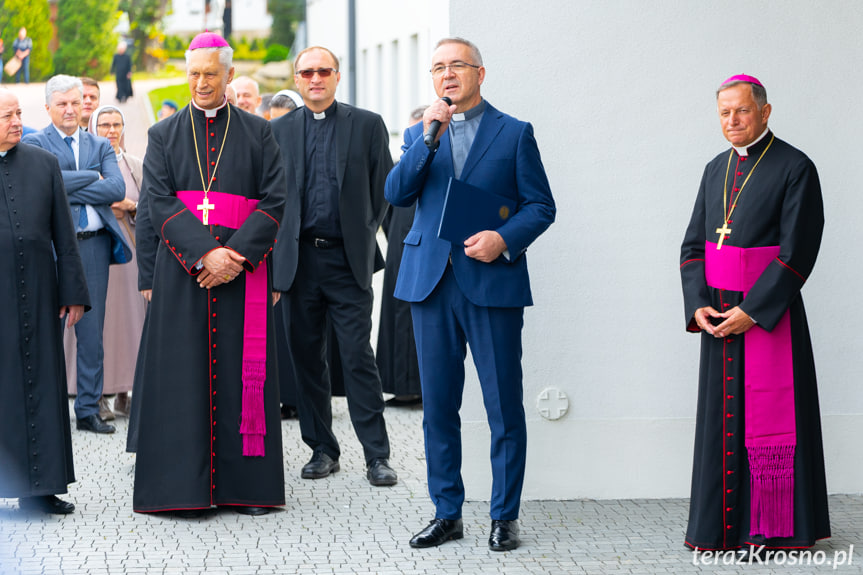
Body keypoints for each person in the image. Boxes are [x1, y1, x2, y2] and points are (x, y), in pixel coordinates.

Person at [385, 38, 555, 551]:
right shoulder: (421, 133)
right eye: (438, 67)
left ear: (481, 72)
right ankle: (446, 512)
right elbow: (397, 194)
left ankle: (505, 515)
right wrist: (427, 137)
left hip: (491, 285)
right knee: (438, 406)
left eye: (456, 65)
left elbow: (541, 206)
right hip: (430, 285)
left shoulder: (515, 132)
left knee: (503, 405)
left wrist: (504, 239)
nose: (447, 74)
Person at [132, 32, 287, 516]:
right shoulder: (163, 135)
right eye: (194, 73)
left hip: (242, 276)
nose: (201, 83)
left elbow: (277, 201)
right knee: (183, 376)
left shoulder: (260, 132)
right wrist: (205, 255)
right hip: (185, 274)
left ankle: (248, 490)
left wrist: (234, 257)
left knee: (243, 375)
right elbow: (157, 202)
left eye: (210, 74)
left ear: (229, 75)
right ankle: (183, 489)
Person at [680, 74, 829, 551]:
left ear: (764, 112)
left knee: (771, 421)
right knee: (722, 422)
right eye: (724, 113)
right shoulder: (713, 169)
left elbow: (797, 251)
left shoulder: (795, 167)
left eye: (742, 111)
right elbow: (691, 248)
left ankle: (773, 530)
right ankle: (719, 530)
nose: (732, 121)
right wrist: (698, 303)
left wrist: (753, 310)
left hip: (769, 315)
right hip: (718, 318)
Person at [271, 45, 397, 487]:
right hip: (298, 262)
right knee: (307, 359)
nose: (315, 79)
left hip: (346, 262)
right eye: (307, 72)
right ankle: (322, 449)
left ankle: (377, 455)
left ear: (337, 76)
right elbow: (270, 196)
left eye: (324, 71)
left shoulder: (366, 125)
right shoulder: (280, 130)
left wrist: (363, 229)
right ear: (297, 78)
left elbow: (386, 188)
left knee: (357, 356)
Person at [23, 75, 130, 435]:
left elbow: (116, 187)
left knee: (91, 333)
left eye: (76, 102)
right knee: (46, 329)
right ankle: (44, 408)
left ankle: (88, 409)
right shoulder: (35, 142)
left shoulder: (100, 143)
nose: (71, 109)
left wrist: (66, 181)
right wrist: (91, 178)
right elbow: (41, 186)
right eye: (63, 104)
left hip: (94, 245)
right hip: (52, 248)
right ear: (49, 107)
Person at [0, 88, 90, 514]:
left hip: (38, 294)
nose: (17, 122)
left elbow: (64, 237)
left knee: (41, 386)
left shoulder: (44, 164)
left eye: (19, 113)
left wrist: (73, 293)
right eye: (7, 116)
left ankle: (42, 488)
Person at [92, 105, 145, 418]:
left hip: (130, 255)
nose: (111, 131)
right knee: (100, 326)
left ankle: (127, 391)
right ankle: (97, 393)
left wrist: (130, 205)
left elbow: (150, 206)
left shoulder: (135, 165)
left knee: (130, 325)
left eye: (116, 124)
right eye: (104, 125)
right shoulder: (87, 162)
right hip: (99, 252)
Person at [377, 105, 426, 407]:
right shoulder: (401, 165)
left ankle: (419, 387)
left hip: (424, 246)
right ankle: (400, 385)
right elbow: (387, 206)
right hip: (399, 245)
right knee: (397, 313)